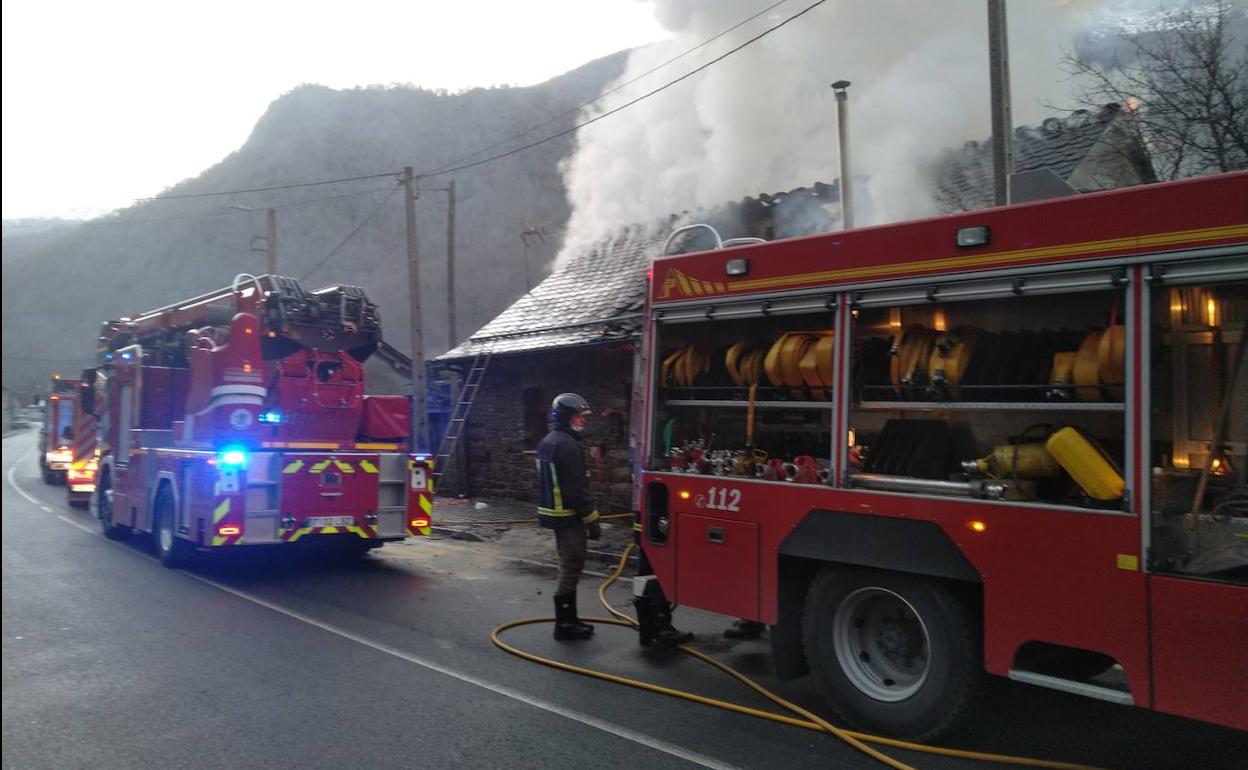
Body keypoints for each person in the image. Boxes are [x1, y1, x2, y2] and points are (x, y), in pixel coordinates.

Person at [536, 393, 601, 641]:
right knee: (571, 566)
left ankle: (569, 619)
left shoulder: (548, 442)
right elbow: (576, 490)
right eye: (579, 416)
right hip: (569, 517)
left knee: (567, 564)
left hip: (555, 516)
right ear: (565, 417)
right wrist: (592, 520)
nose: (583, 421)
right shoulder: (567, 445)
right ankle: (564, 625)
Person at [632, 514, 694, 649]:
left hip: (646, 525)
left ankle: (647, 631)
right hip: (654, 526)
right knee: (656, 576)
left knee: (646, 576)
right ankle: (662, 629)